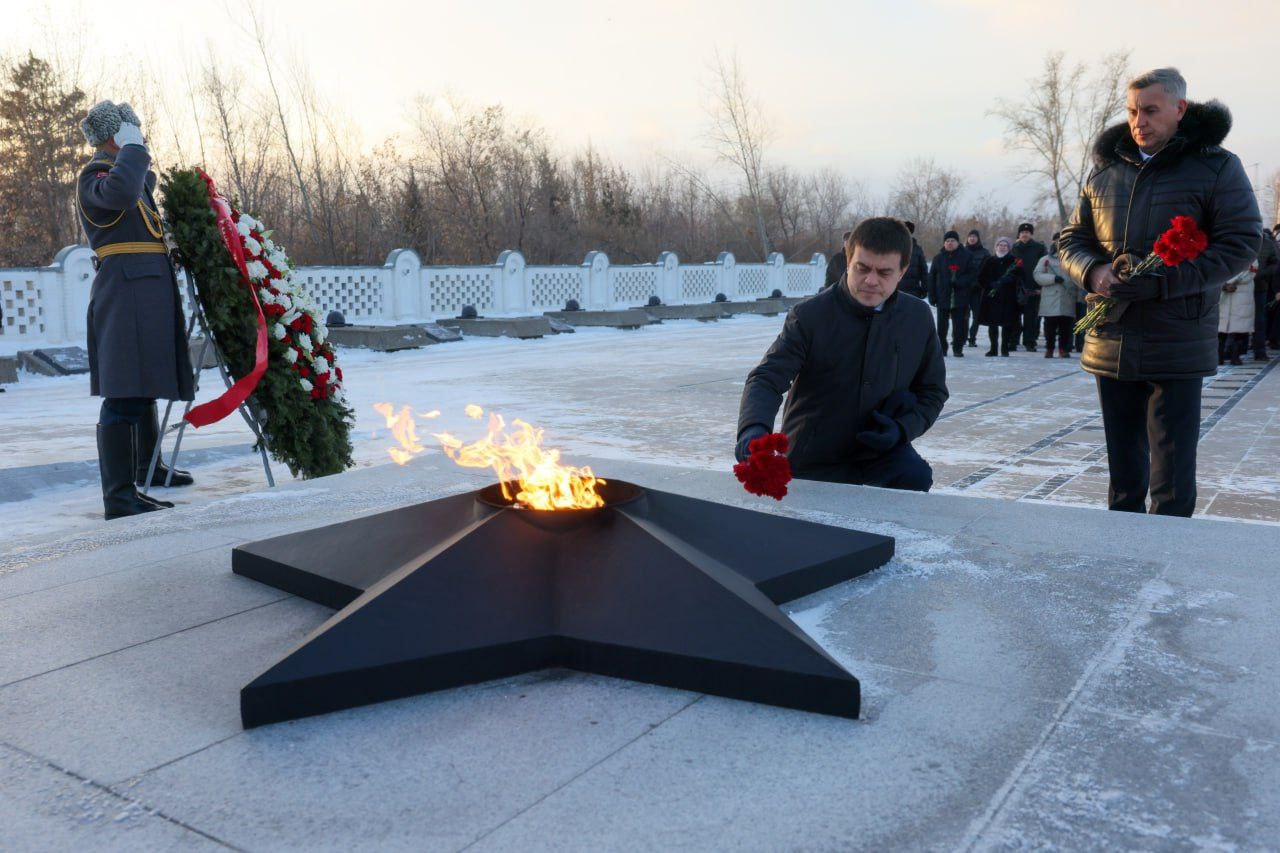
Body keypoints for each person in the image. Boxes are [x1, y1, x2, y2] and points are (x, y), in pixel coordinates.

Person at [1059, 68, 1260, 517]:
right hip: (1112, 334)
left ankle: (1168, 558)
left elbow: (1241, 241)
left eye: (1150, 110)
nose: (1138, 122)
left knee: (1170, 472)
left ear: (1179, 109)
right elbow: (1072, 238)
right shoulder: (1106, 170)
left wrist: (1165, 281)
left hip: (1177, 339)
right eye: (1132, 111)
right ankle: (1121, 555)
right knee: (1123, 470)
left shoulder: (1216, 166)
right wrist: (1094, 272)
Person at [736, 217, 948, 492]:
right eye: (862, 268)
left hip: (880, 455)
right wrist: (753, 432)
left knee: (915, 476)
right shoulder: (810, 316)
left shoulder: (916, 318)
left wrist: (902, 429)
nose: (871, 281)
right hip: (814, 458)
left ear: (903, 271)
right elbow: (766, 379)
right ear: (848, 261)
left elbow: (932, 392)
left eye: (884, 273)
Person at [77, 100, 196, 521]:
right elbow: (123, 192)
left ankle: (148, 467)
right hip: (124, 295)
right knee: (124, 391)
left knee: (142, 385)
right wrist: (132, 150)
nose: (139, 133)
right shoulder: (94, 176)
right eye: (130, 129)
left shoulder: (127, 175)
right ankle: (119, 496)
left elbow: (140, 187)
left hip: (144, 293)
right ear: (114, 135)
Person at [927, 230, 976, 356]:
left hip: (960, 297)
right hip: (942, 296)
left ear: (958, 242)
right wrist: (932, 295)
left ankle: (958, 349)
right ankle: (942, 348)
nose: (949, 243)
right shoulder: (938, 258)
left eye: (952, 241)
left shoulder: (966, 256)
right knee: (942, 327)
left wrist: (959, 282)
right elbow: (931, 277)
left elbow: (972, 275)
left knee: (959, 325)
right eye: (947, 241)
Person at [976, 237, 1021, 356]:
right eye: (1000, 245)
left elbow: (1020, 277)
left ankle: (1005, 348)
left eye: (1005, 245)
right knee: (993, 324)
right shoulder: (989, 260)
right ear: (996, 247)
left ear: (1009, 248)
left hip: (1008, 297)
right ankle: (993, 348)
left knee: (1007, 324)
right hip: (991, 297)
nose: (1002, 247)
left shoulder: (1014, 261)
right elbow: (980, 277)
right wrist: (989, 284)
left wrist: (1010, 280)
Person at [1034, 239, 1077, 357]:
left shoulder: (1073, 260)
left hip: (1067, 297)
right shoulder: (1045, 259)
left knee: (1066, 327)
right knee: (1050, 327)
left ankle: (1063, 349)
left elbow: (1078, 276)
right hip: (1050, 299)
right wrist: (1053, 278)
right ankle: (1050, 348)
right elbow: (1037, 275)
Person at [1010, 223, 1048, 351]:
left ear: (1031, 234)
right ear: (1019, 234)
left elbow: (1045, 267)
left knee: (1030, 317)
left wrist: (1041, 286)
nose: (1024, 234)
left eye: (1027, 232)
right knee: (1014, 317)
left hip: (1033, 287)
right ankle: (1013, 341)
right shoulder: (1014, 248)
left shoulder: (1039, 248)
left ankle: (1029, 342)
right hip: (1016, 287)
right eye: (1022, 232)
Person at [1218, 265, 1256, 366]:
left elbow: (1252, 270)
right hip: (1223, 294)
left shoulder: (1250, 253)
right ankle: (1219, 357)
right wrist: (1223, 285)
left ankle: (1235, 357)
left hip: (1241, 293)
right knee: (1220, 330)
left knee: (1238, 330)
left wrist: (1233, 282)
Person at [1251, 226, 1277, 360]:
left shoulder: (1267, 243)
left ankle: (1259, 350)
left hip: (1260, 286)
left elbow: (1275, 263)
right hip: (1238, 287)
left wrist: (1262, 273)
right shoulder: (1242, 241)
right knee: (1233, 317)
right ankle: (1230, 350)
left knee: (1259, 319)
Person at [964, 229, 990, 346]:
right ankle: (960, 337)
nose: (972, 238)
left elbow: (988, 270)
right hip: (963, 288)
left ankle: (972, 338)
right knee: (962, 315)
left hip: (978, 289)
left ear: (978, 238)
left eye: (974, 236)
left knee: (977, 315)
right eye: (970, 236)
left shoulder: (985, 253)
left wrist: (980, 283)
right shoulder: (962, 251)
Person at [896, 220, 930, 299]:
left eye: (906, 231)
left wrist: (925, 289)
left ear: (910, 233)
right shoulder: (891, 248)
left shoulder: (917, 249)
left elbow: (924, 272)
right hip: (894, 293)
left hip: (913, 293)